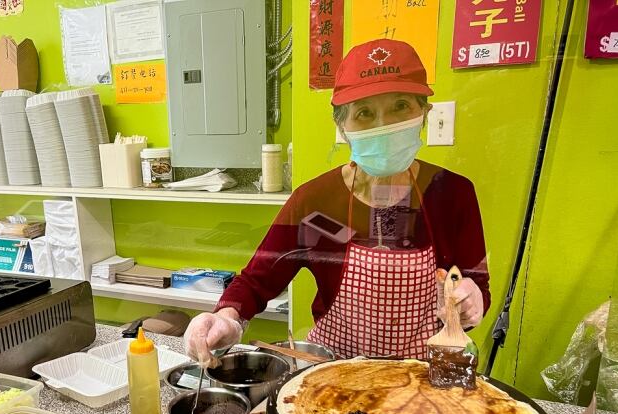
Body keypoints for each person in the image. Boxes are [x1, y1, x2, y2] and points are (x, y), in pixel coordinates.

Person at [184, 39, 490, 365]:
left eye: (401, 106)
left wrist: (472, 301)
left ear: (424, 113)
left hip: (422, 374)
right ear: (342, 127)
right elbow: (256, 282)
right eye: (364, 113)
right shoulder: (314, 200)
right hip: (334, 374)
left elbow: (476, 282)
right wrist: (227, 318)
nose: (383, 125)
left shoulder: (452, 193)